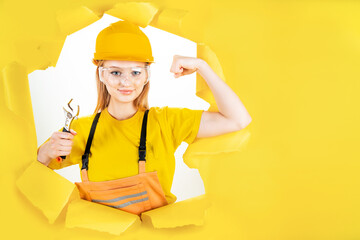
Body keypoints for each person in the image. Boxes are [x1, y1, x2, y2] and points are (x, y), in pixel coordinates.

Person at [37, 20, 252, 207]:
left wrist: (202, 66)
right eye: (115, 72)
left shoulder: (167, 122)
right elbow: (33, 171)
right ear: (101, 75)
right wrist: (46, 151)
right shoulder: (80, 130)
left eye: (135, 72)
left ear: (146, 75)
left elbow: (237, 119)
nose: (125, 82)